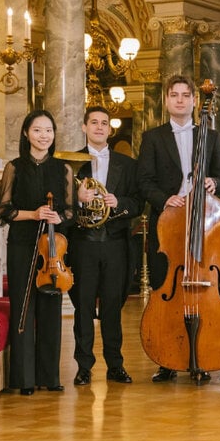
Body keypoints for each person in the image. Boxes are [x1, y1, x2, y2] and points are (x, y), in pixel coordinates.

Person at [137, 74, 220, 383]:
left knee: (201, 292)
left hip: (202, 224)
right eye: (174, 94)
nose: (179, 99)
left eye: (185, 95)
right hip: (169, 226)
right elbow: (144, 182)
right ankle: (167, 358)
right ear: (166, 100)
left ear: (194, 100)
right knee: (169, 290)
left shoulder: (212, 136)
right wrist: (167, 199)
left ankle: (201, 355)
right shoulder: (152, 137)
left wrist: (213, 182)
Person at [0, 110, 74, 395]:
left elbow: (69, 210)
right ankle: (24, 379)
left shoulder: (63, 169)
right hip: (22, 244)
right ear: (26, 133)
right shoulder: (14, 167)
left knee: (51, 308)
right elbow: (3, 211)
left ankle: (49, 377)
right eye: (38, 130)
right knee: (23, 309)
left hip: (52, 250)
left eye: (49, 130)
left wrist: (59, 218)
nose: (44, 136)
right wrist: (34, 213)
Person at [69, 106, 142, 387]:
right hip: (83, 244)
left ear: (110, 130)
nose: (99, 127)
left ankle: (115, 365)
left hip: (115, 245)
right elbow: (60, 203)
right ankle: (84, 366)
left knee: (113, 307)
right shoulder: (70, 162)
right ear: (84, 127)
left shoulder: (128, 164)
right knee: (83, 307)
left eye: (104, 123)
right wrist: (77, 197)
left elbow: (138, 203)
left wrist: (118, 203)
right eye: (94, 122)